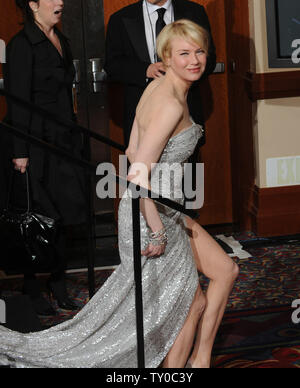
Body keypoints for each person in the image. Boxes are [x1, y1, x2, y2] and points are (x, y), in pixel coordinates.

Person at [0, 19, 237, 368]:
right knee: (191, 303)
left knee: (225, 271)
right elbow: (139, 173)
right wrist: (155, 227)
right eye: (184, 53)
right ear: (166, 57)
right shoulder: (169, 103)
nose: (195, 60)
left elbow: (130, 150)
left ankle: (199, 359)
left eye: (200, 51)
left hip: (164, 210)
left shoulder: (157, 88)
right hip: (152, 215)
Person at [1, 0, 86, 315]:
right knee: (34, 216)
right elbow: (17, 100)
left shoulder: (61, 39)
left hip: (63, 140)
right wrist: (20, 152)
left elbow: (66, 93)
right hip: (34, 144)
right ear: (33, 5)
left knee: (62, 213)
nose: (60, 2)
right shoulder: (21, 44)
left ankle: (58, 283)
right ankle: (31, 286)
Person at [105, 0, 216, 146]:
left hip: (186, 115)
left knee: (189, 168)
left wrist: (181, 72)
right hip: (142, 117)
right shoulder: (120, 18)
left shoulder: (195, 12)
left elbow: (209, 58)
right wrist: (145, 70)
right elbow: (112, 65)